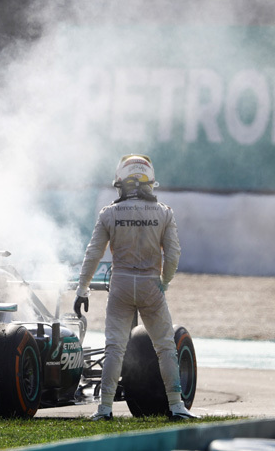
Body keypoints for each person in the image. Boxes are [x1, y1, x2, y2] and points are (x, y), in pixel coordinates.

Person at [73, 154, 197, 421]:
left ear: (121, 182)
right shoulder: (164, 212)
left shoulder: (109, 213)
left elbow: (93, 253)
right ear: (149, 182)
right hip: (151, 283)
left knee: (114, 347)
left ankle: (104, 408)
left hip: (120, 286)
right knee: (165, 347)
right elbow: (173, 255)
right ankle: (176, 406)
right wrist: (164, 282)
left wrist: (82, 288)